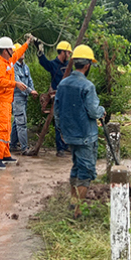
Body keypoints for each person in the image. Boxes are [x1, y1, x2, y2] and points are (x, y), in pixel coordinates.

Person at [54, 44, 106, 219]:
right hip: (85, 136)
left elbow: (57, 111)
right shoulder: (87, 86)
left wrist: (61, 130)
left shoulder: (63, 84)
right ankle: (79, 212)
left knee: (76, 167)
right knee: (85, 171)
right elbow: (93, 111)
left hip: (69, 135)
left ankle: (73, 202)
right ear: (87, 65)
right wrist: (102, 111)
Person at [0, 36, 32, 170]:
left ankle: (5, 154)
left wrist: (27, 43)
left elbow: (18, 53)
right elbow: (1, 82)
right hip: (1, 101)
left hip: (7, 101)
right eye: (11, 49)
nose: (13, 51)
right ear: (5, 50)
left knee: (7, 129)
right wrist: (16, 83)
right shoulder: (0, 65)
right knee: (2, 130)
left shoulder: (9, 62)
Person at [38, 40, 73, 157]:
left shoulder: (69, 66)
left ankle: (66, 145)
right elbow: (44, 63)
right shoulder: (53, 65)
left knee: (67, 122)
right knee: (58, 123)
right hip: (57, 98)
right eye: (68, 53)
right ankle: (60, 149)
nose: (68, 55)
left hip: (67, 97)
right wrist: (40, 52)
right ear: (62, 52)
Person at [10, 43, 38, 154]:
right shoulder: (13, 67)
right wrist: (30, 91)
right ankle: (24, 148)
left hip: (24, 97)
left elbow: (29, 80)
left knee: (17, 121)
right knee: (21, 123)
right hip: (17, 98)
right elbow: (19, 82)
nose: (23, 54)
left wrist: (33, 90)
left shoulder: (25, 67)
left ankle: (12, 144)